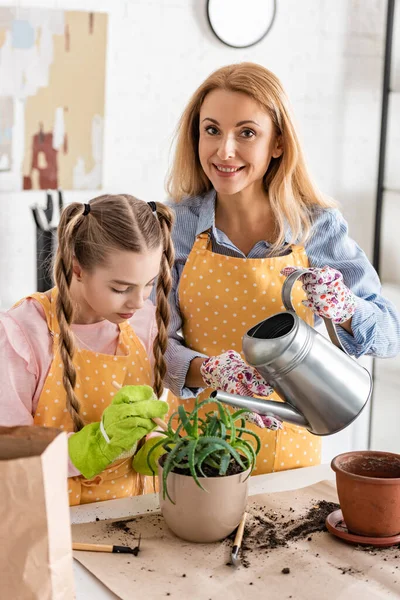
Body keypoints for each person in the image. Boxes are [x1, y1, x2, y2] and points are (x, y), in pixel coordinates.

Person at [163, 62, 400, 474]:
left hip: (289, 450)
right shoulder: (174, 225)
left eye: (247, 133)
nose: (224, 151)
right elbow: (146, 344)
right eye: (212, 130)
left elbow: (390, 335)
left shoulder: (317, 226)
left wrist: (345, 309)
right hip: (196, 450)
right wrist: (210, 371)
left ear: (277, 143)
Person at [0, 194, 174, 505]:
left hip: (135, 522)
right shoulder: (23, 334)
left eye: (149, 283)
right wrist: (93, 446)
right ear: (78, 269)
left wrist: (156, 445)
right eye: (120, 288)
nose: (138, 301)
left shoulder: (144, 322)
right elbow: (10, 456)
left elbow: (159, 409)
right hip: (52, 529)